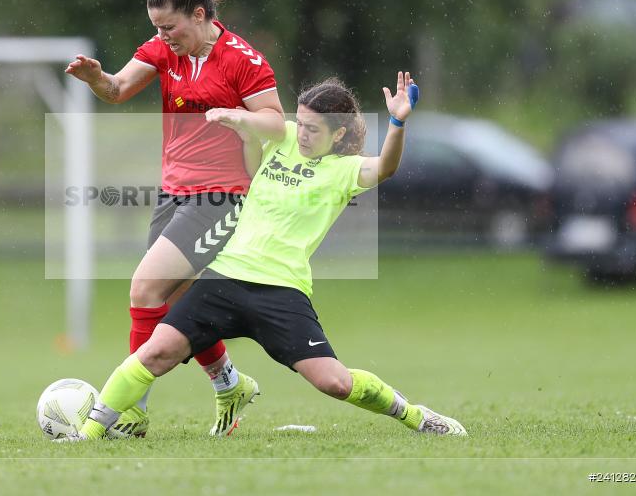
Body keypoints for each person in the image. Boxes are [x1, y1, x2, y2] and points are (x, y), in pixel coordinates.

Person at [69, 72, 468, 440]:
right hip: (225, 278)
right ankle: (88, 434)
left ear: (339, 133)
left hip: (281, 291)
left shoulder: (345, 170)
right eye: (301, 123)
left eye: (313, 129)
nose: (303, 133)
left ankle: (414, 415)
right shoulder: (285, 137)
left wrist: (397, 122)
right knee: (155, 352)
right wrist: (241, 126)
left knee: (334, 383)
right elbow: (252, 153)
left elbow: (385, 167)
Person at [65, 0, 286, 437]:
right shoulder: (165, 51)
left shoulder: (242, 59)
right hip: (174, 191)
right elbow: (118, 89)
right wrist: (96, 78)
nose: (162, 36)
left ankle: (131, 411)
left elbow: (276, 122)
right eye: (156, 28)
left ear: (200, 15)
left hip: (223, 195)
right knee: (177, 299)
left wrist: (239, 118)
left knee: (146, 288)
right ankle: (230, 384)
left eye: (169, 27)